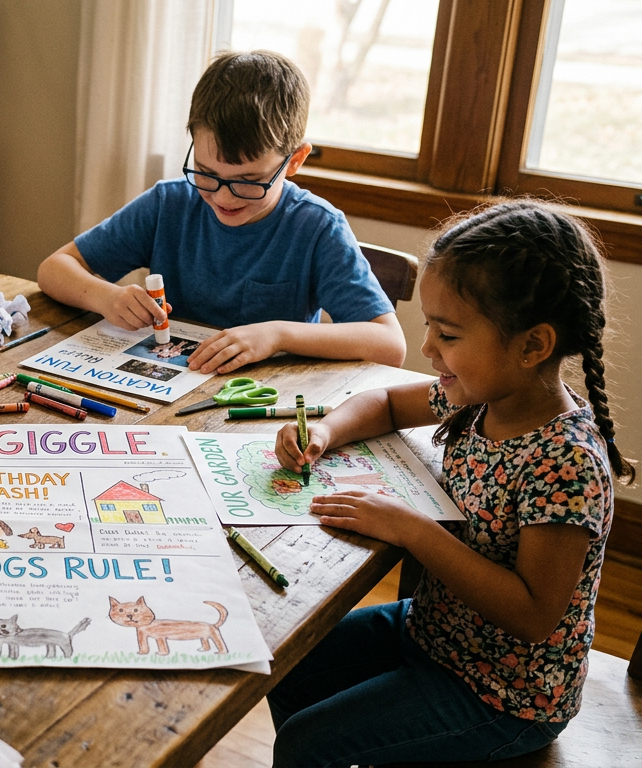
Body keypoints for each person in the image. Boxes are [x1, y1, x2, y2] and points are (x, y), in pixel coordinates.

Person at [267, 201, 633, 766]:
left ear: (532, 345)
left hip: (509, 695)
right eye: (431, 327)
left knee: (306, 744)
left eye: (449, 334)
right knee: (285, 663)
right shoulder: (479, 394)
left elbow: (534, 614)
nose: (428, 348)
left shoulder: (566, 461)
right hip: (435, 631)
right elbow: (386, 401)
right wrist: (325, 430)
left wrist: (415, 530)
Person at [37, 50, 404, 374]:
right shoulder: (170, 204)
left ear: (295, 160)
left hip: (258, 406)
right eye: (207, 173)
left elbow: (389, 344)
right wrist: (106, 297)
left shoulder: (317, 228)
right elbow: (54, 269)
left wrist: (277, 334)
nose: (223, 197)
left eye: (248, 180)